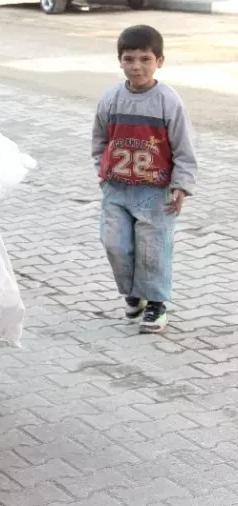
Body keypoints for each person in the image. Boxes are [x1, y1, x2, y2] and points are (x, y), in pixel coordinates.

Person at [92, 25, 197, 334]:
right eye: (129, 59)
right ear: (119, 61)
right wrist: (103, 172)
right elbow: (99, 140)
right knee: (116, 246)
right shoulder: (111, 99)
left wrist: (181, 186)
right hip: (117, 190)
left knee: (153, 250)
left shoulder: (168, 101)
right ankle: (134, 294)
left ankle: (155, 305)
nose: (136, 66)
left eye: (145, 59)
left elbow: (184, 148)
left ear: (159, 62)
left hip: (156, 193)